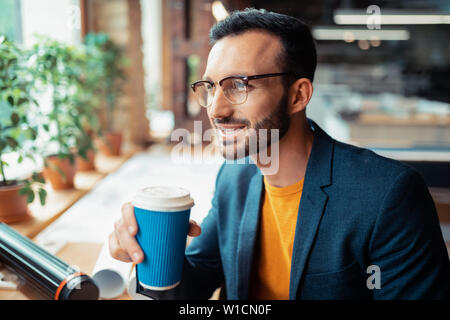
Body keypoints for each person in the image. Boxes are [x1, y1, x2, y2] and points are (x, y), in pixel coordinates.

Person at [109, 8, 450, 299]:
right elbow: (196, 276)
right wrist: (149, 254)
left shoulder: (388, 195)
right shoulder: (234, 177)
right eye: (211, 87)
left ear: (298, 96)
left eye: (239, 86)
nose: (217, 109)